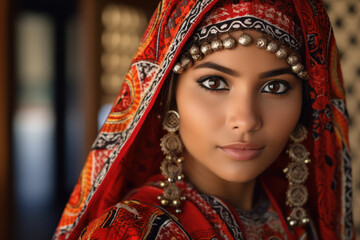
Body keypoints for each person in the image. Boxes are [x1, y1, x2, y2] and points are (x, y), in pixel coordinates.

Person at [53, 0, 356, 239]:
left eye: (274, 87)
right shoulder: (129, 232)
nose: (246, 120)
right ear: (168, 96)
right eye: (214, 83)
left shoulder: (301, 219)